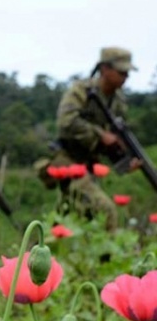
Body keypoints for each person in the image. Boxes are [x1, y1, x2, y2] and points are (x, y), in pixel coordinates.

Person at [52, 47, 140, 230]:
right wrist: (100, 134)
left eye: (127, 73)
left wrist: (124, 161)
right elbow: (65, 123)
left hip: (91, 165)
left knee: (68, 219)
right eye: (121, 72)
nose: (125, 77)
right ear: (104, 69)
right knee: (105, 211)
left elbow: (112, 144)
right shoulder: (81, 91)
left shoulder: (119, 102)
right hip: (67, 159)